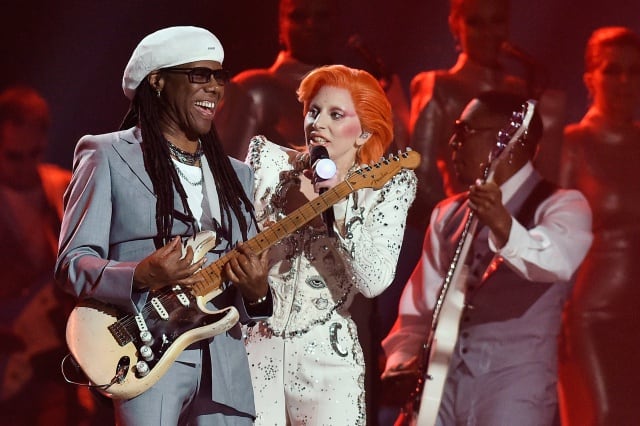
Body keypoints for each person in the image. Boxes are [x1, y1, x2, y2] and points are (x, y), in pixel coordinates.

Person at [55, 26, 272, 425]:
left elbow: (250, 292)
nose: (214, 88)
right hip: (147, 360)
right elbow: (73, 263)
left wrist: (257, 292)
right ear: (157, 81)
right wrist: (140, 274)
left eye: (219, 76)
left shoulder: (236, 175)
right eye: (199, 75)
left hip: (224, 369)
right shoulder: (106, 155)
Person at [381, 91, 592, 425]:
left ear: (511, 140)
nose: (452, 143)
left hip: (514, 385)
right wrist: (403, 360)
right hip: (440, 385)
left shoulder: (563, 205)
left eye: (465, 131)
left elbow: (555, 261)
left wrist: (504, 226)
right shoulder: (447, 213)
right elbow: (420, 309)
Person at [242, 64, 416, 425]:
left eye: (336, 114)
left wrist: (338, 205)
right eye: (314, 111)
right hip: (254, 349)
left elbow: (373, 280)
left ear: (364, 133)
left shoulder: (384, 189)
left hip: (327, 359)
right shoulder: (269, 164)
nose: (318, 123)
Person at [558, 26, 640, 426]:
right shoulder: (574, 143)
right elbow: (550, 235)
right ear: (590, 77)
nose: (624, 81)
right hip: (596, 314)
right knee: (603, 416)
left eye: (634, 70)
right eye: (612, 70)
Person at [213, 0, 410, 161]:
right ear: (280, 26)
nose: (311, 24)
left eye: (322, 16)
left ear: (339, 23)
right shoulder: (255, 90)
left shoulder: (360, 93)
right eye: (298, 16)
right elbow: (224, 179)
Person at [0, 86, 84, 425]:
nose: (24, 166)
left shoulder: (60, 187)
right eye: (13, 156)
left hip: (54, 353)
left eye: (33, 153)